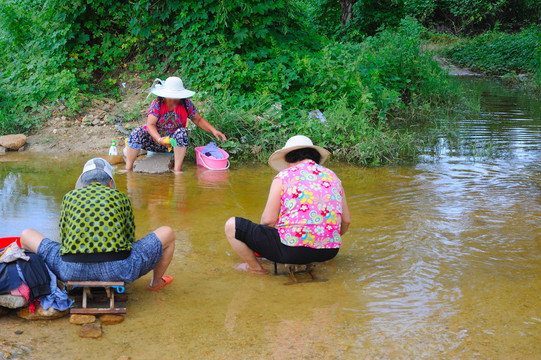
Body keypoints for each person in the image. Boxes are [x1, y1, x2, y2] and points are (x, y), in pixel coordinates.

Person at [20, 158, 175, 290]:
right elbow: (128, 238)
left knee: (26, 235)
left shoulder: (69, 197)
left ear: (82, 184)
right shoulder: (120, 197)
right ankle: (155, 284)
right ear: (110, 183)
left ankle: (58, 283)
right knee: (168, 232)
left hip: (71, 270)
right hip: (118, 270)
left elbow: (64, 238)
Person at [224, 135, 351, 274]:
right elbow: (346, 221)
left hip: (292, 250)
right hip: (330, 252)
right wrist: (321, 240)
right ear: (314, 157)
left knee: (231, 226)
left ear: (288, 158)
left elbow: (268, 220)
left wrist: (261, 242)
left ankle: (256, 269)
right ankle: (311, 259)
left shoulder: (284, 176)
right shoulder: (333, 177)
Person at [125, 76, 227, 173]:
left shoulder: (186, 103)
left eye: (176, 97)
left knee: (182, 132)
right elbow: (150, 125)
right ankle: (128, 169)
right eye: (171, 97)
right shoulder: (157, 103)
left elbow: (198, 120)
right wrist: (160, 139)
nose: (173, 100)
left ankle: (177, 170)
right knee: (137, 132)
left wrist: (213, 130)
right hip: (155, 141)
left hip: (173, 144)